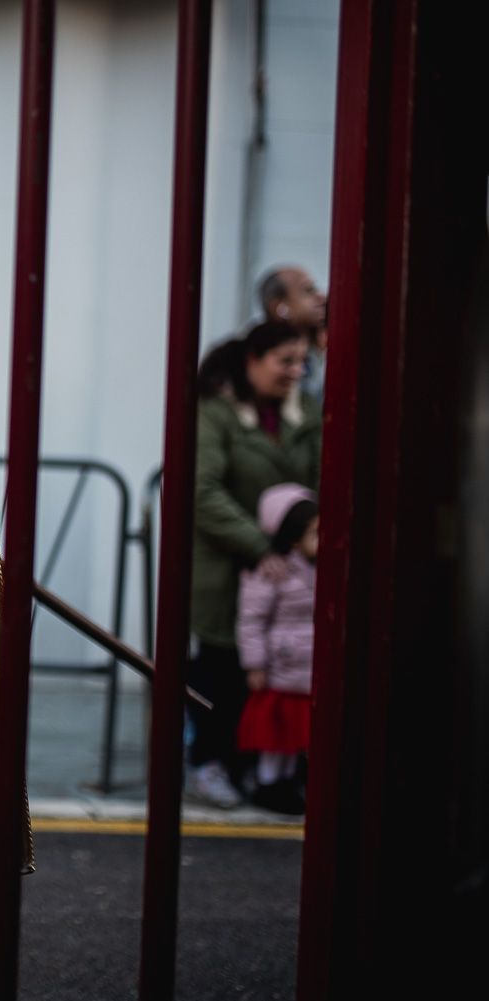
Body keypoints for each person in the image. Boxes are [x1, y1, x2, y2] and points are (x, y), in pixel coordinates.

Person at [188, 320, 321, 809]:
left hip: (293, 571)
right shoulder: (215, 412)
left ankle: (261, 769)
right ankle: (209, 762)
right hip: (228, 567)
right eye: (285, 361)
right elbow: (201, 489)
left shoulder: (305, 412)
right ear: (253, 360)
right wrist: (261, 546)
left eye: (302, 361)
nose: (296, 371)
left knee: (282, 677)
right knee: (223, 667)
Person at [235, 483, 318, 816]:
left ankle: (287, 782)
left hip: (308, 669)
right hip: (281, 668)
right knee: (276, 736)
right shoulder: (271, 572)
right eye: (315, 533)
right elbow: (252, 621)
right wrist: (255, 665)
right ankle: (268, 783)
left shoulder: (319, 566)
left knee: (296, 734)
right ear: (293, 538)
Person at [257, 265, 328, 401]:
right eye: (308, 291)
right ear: (280, 307)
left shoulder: (316, 350)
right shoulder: (262, 357)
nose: (321, 297)